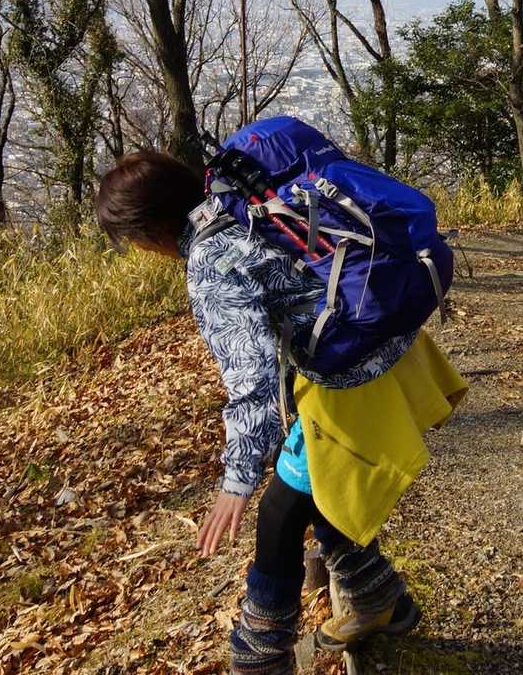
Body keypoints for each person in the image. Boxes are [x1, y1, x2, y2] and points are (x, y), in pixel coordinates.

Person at [94, 149, 466, 675]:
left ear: (149, 231)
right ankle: (378, 598)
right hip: (388, 345)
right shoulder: (238, 203)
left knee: (278, 517)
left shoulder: (210, 262)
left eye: (132, 240)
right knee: (319, 492)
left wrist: (236, 481)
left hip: (350, 382)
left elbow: (252, 382)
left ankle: (261, 658)